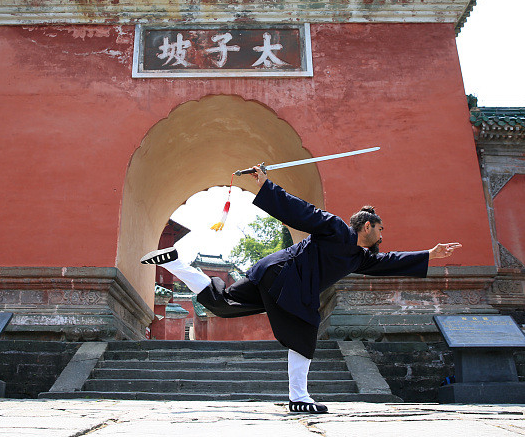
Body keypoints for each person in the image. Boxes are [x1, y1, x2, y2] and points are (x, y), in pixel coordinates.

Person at [140, 165, 459, 414]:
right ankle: (299, 397)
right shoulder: (335, 229)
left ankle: (175, 264)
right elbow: (302, 212)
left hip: (272, 273)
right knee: (306, 325)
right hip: (285, 277)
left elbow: (390, 261)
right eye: (380, 229)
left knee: (223, 305)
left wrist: (429, 254)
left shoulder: (360, 258)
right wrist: (265, 185)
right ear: (366, 226)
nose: (382, 235)